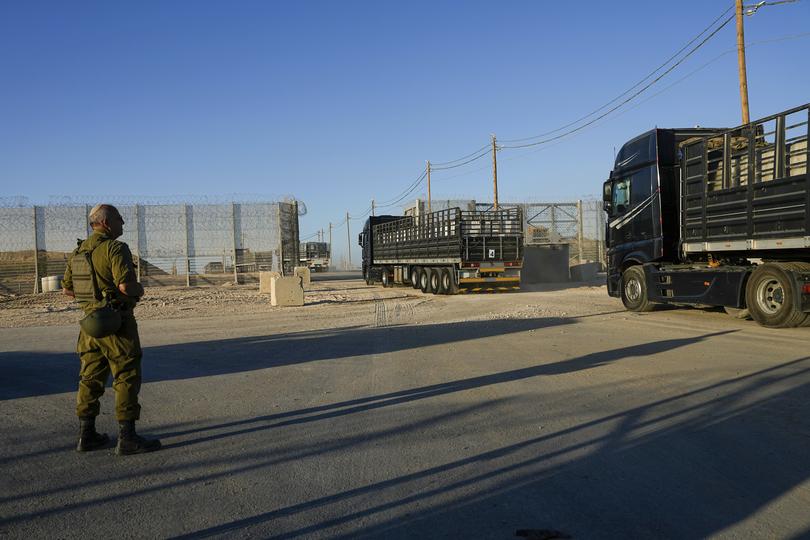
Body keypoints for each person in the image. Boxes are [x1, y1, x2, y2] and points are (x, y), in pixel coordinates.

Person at [62, 204, 161, 455]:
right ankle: (127, 437)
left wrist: (92, 299)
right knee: (126, 375)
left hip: (89, 326)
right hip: (117, 323)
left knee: (90, 378)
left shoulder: (78, 252)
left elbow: (67, 289)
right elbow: (126, 286)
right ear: (106, 222)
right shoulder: (116, 248)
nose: (123, 223)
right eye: (119, 219)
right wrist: (140, 290)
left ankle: (87, 434)